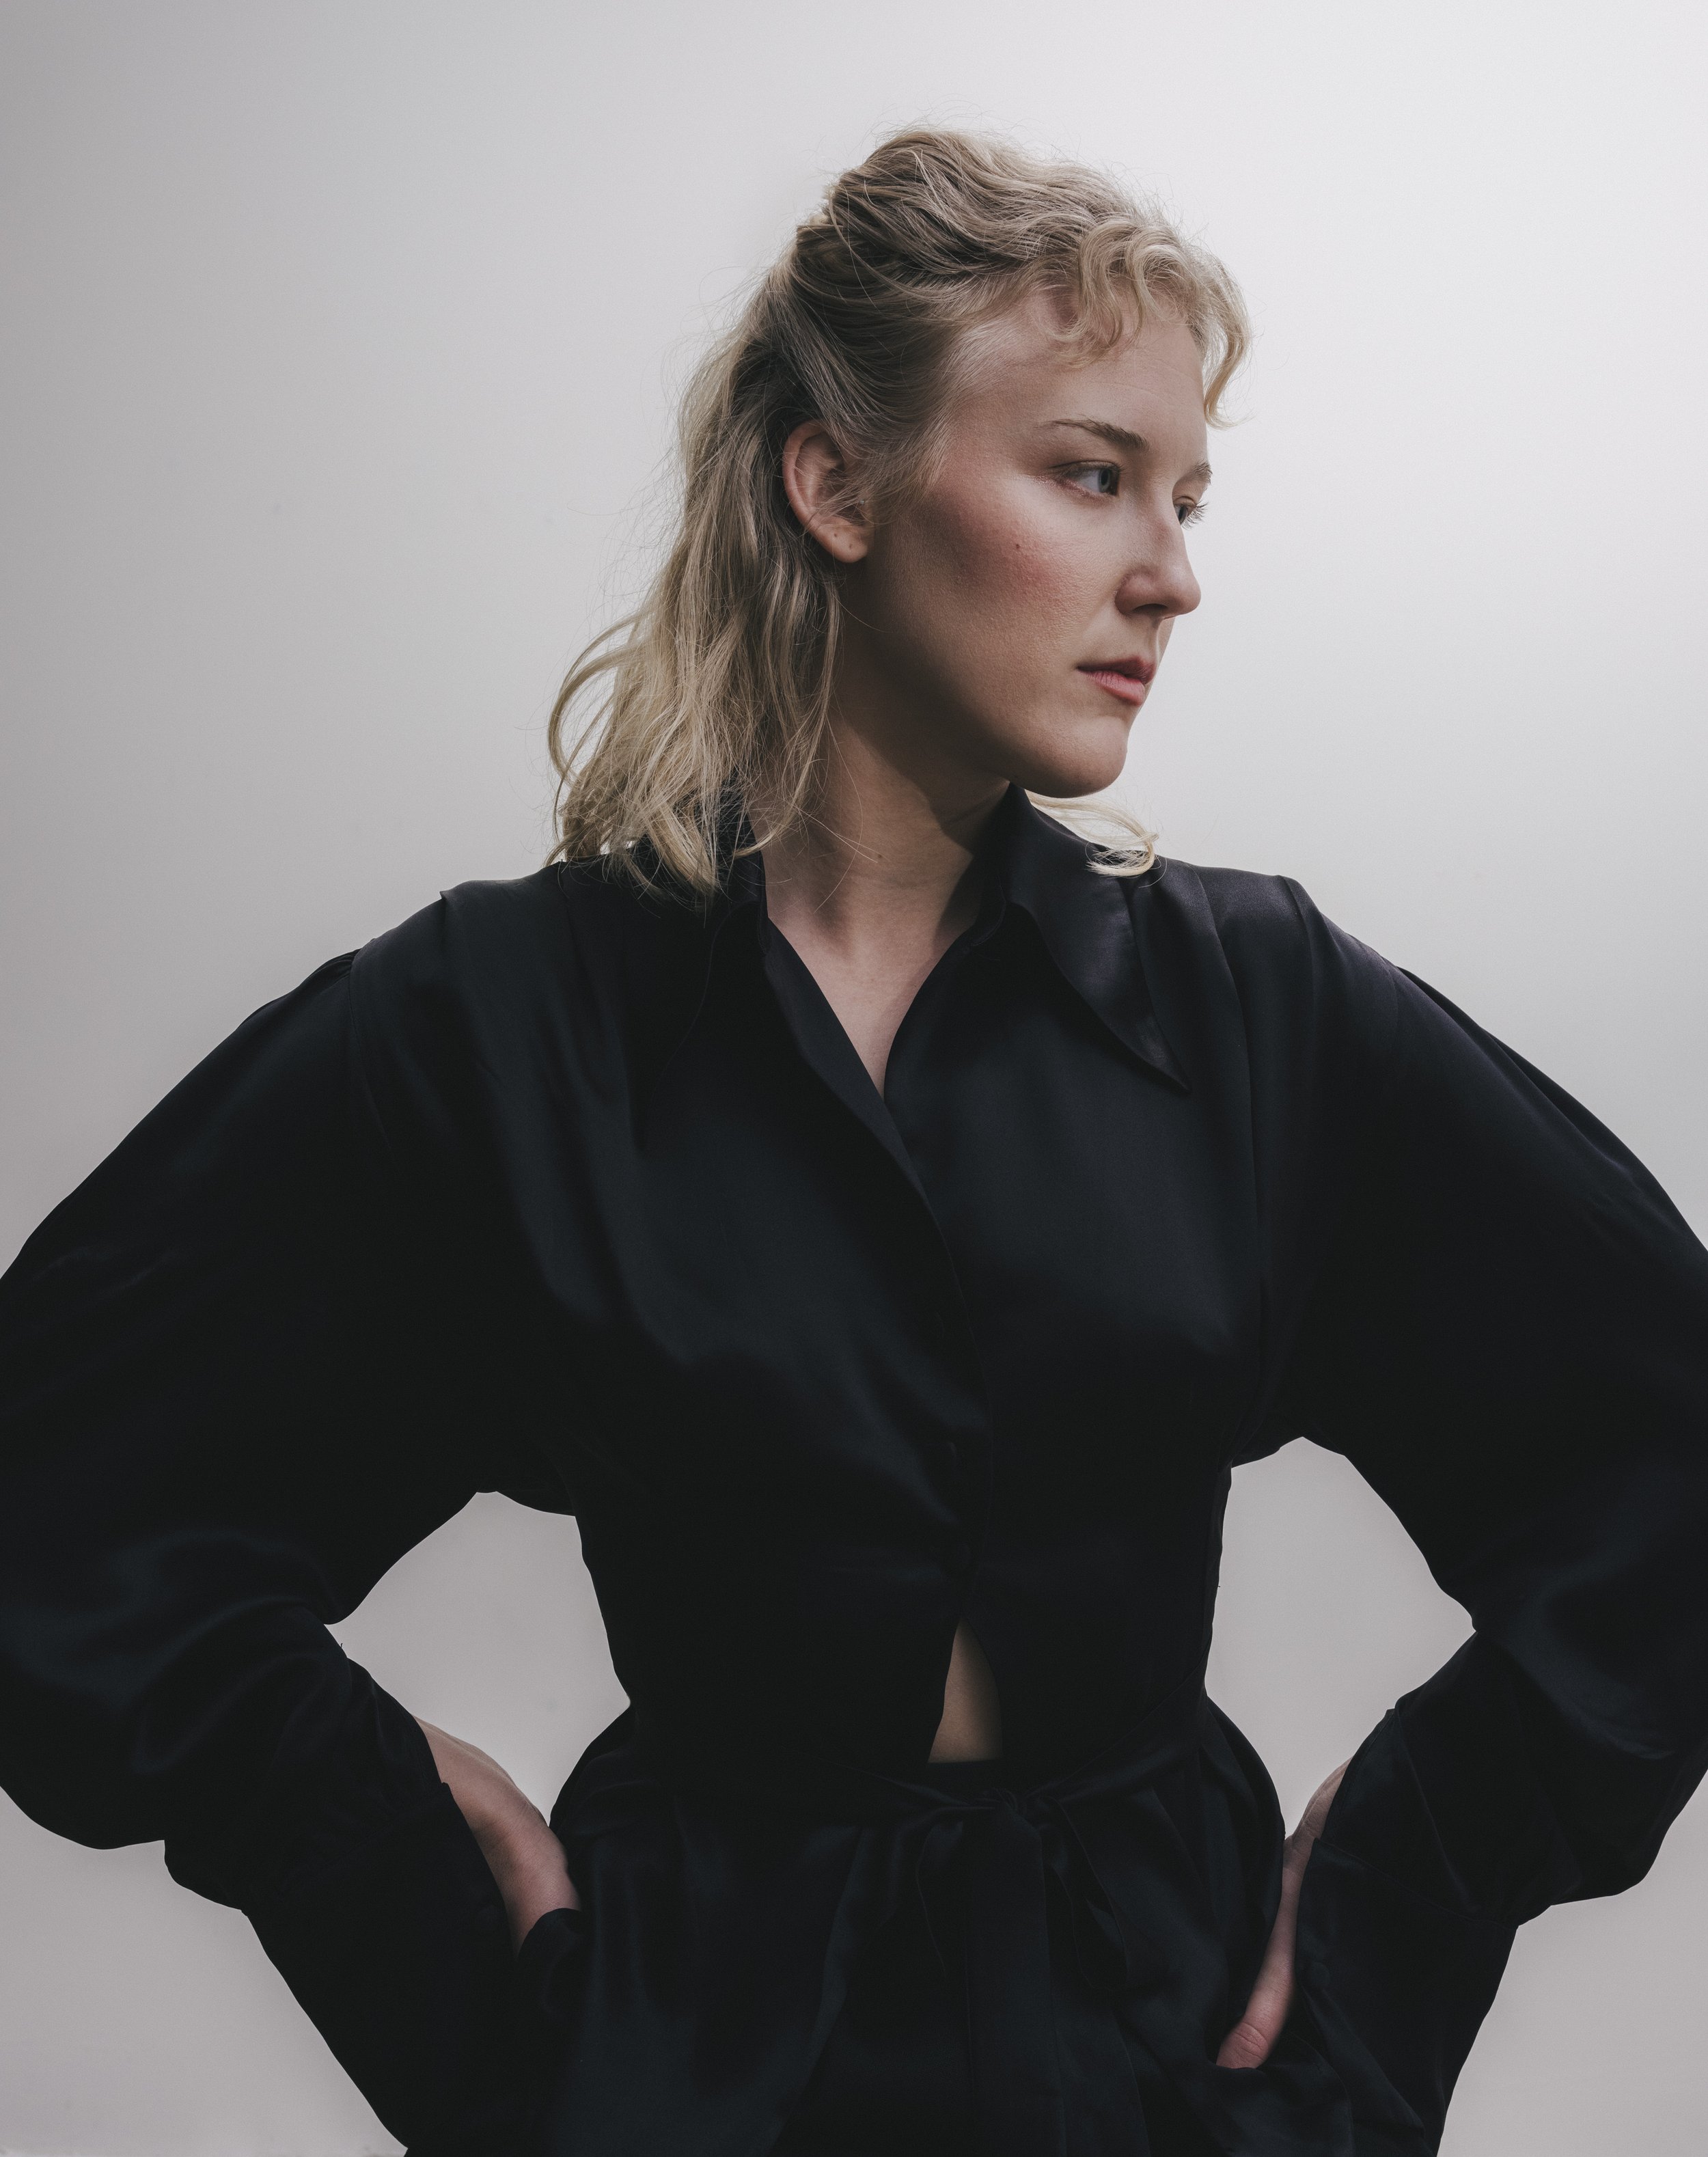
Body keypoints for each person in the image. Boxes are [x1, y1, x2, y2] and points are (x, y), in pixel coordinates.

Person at [1, 127, 1705, 2157]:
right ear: (835, 485)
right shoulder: (503, 1024)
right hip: (680, 2072)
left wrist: (1417, 1865)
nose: (1171, 573)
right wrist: (366, 1828)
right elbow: (61, 1487)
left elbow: (1663, 1447)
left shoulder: (1258, 1014)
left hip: (1182, 2073)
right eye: (1090, 474)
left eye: (1184, 497)